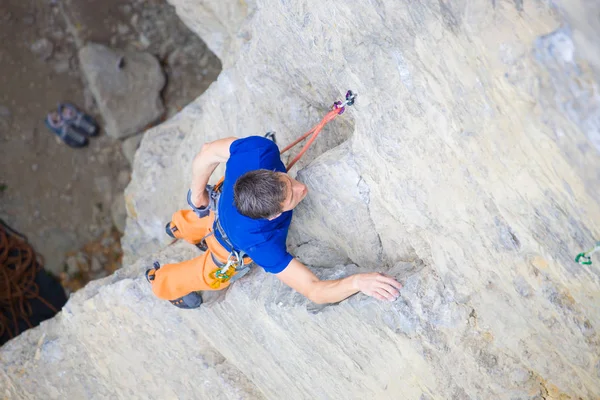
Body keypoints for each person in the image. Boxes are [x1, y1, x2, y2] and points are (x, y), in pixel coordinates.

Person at [145, 135, 402, 308]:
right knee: (209, 275)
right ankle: (161, 282)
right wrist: (357, 282)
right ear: (273, 216)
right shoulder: (262, 242)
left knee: (205, 214)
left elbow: (207, 153)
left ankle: (181, 226)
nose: (301, 188)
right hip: (228, 245)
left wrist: (197, 195)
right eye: (292, 197)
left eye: (286, 181)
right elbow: (314, 290)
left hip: (221, 205)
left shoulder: (257, 152)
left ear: (265, 172)